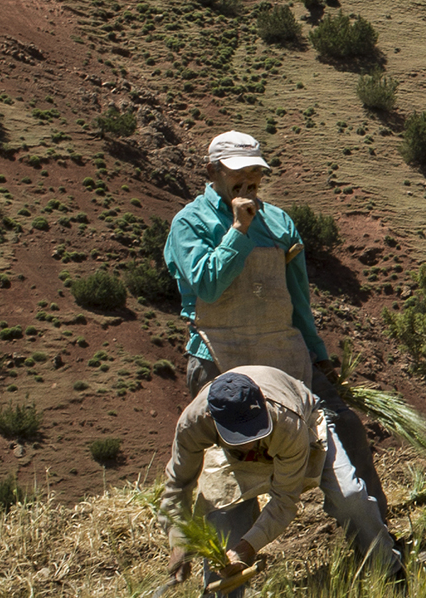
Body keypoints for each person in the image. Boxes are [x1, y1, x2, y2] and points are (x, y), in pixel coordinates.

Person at [163, 131, 387, 509]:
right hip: (219, 358)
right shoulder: (190, 224)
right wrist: (238, 231)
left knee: (344, 427)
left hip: (285, 353)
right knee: (231, 462)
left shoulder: (280, 223)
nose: (248, 181)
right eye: (238, 172)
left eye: (256, 172)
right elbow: (207, 285)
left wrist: (317, 353)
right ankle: (228, 557)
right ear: (212, 171)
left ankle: (375, 529)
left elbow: (296, 297)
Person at [161, 366, 401, 598]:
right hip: (232, 458)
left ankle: (390, 571)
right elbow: (177, 485)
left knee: (350, 498)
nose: (251, 440)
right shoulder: (193, 424)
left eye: (255, 431)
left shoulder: (287, 420)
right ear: (214, 421)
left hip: (304, 428)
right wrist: (178, 539)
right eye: (241, 436)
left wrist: (247, 548)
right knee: (220, 525)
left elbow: (285, 501)